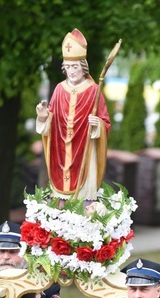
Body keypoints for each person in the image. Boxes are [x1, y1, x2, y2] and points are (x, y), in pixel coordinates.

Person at [36, 28, 111, 200]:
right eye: (68, 67)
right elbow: (51, 123)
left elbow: (105, 123)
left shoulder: (93, 90)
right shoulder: (59, 89)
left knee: (83, 199)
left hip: (85, 152)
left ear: (83, 67)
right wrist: (43, 117)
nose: (71, 71)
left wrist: (97, 124)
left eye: (75, 66)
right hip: (60, 152)